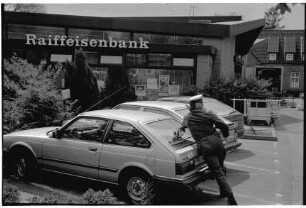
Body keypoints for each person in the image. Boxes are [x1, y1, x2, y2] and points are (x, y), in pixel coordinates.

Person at [180, 94, 238, 205]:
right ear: (199, 104)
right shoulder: (208, 113)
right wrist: (224, 137)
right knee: (221, 168)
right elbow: (224, 126)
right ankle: (224, 193)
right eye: (201, 103)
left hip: (206, 146)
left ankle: (231, 198)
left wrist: (176, 136)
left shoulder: (187, 117)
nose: (202, 104)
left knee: (218, 172)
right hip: (217, 143)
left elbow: (182, 130)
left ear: (191, 106)